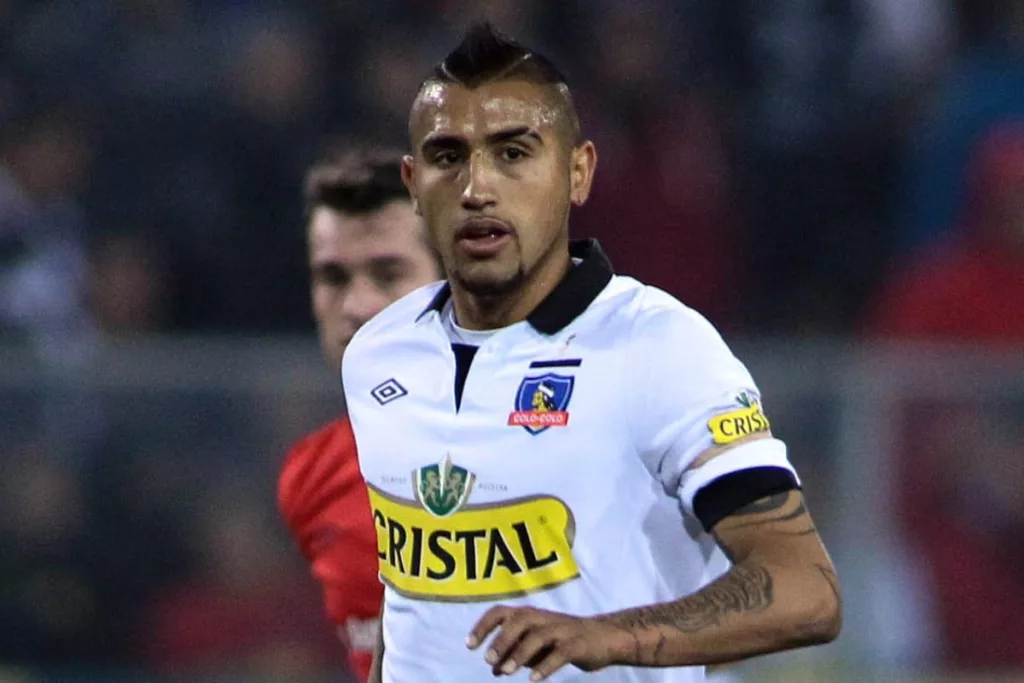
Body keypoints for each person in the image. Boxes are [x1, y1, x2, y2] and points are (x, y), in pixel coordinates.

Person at [341, 23, 842, 683]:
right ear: (412, 182)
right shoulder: (378, 352)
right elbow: (411, 600)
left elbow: (807, 588)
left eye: (513, 153)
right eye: (447, 156)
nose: (477, 187)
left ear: (578, 172)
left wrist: (611, 634)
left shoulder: (659, 346)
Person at [277, 148, 443, 681]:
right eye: (333, 277)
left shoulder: (554, 438)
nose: (357, 306)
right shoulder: (311, 479)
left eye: (388, 272)